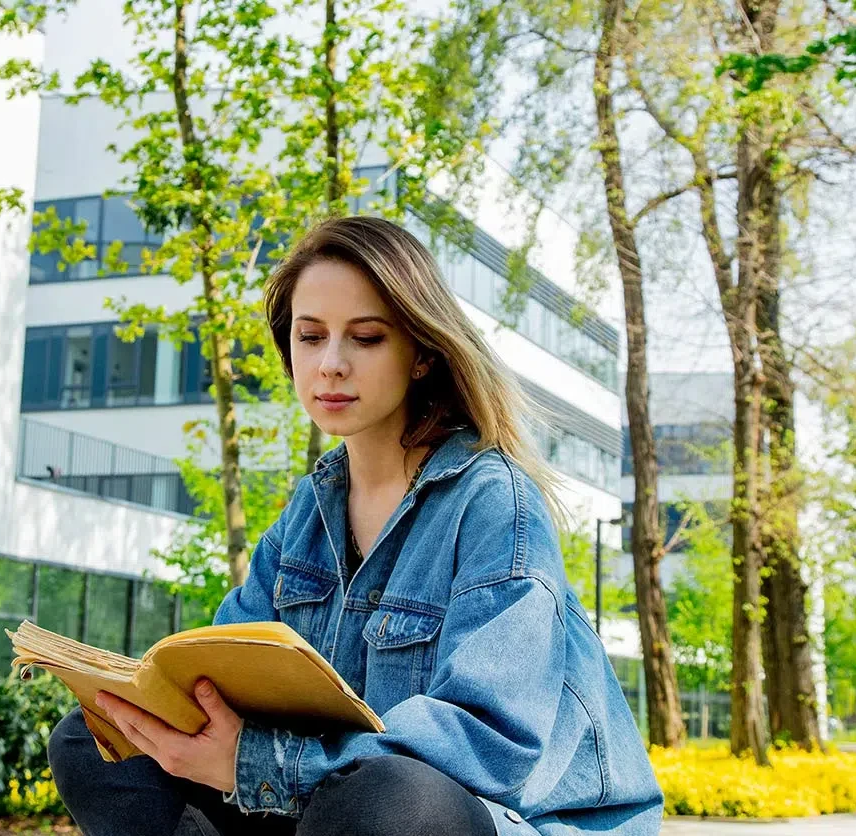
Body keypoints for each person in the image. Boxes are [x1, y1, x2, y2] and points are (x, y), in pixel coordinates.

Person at [47, 216, 664, 835]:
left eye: (365, 338)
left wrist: (258, 762)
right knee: (98, 744)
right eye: (310, 336)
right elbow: (221, 671)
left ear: (422, 353)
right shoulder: (309, 510)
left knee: (384, 799)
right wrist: (162, 712)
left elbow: (489, 745)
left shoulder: (494, 503)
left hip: (504, 817)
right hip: (320, 801)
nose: (331, 364)